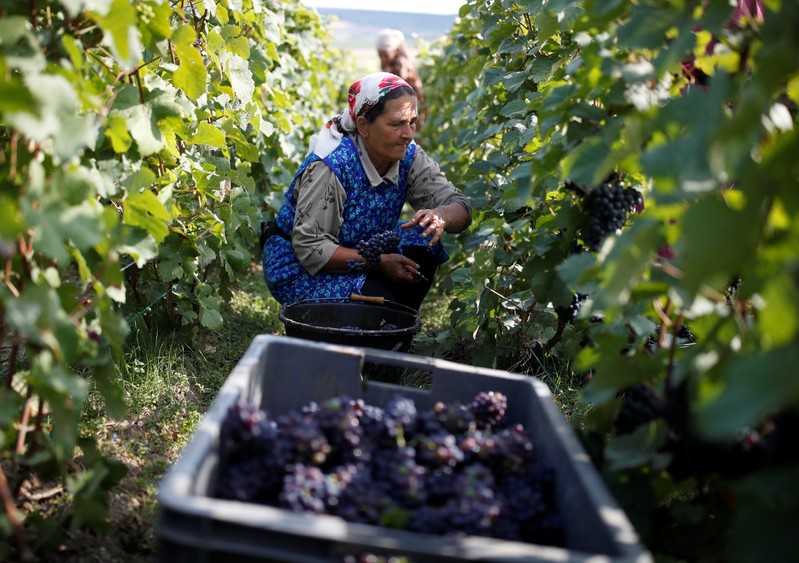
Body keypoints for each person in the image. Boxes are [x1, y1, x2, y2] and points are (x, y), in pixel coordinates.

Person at [262, 72, 471, 312]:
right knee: (374, 313)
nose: (408, 134)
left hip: (365, 253)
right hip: (300, 268)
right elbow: (311, 248)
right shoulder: (331, 166)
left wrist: (442, 216)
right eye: (397, 123)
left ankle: (394, 318)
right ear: (363, 125)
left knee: (423, 239)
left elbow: (460, 205)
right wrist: (378, 263)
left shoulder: (408, 156)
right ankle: (372, 318)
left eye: (411, 122)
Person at [375, 28, 427, 131]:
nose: (383, 59)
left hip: (410, 106)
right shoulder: (388, 63)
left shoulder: (401, 64)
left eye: (385, 55)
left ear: (395, 50)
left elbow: (397, 90)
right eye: (380, 55)